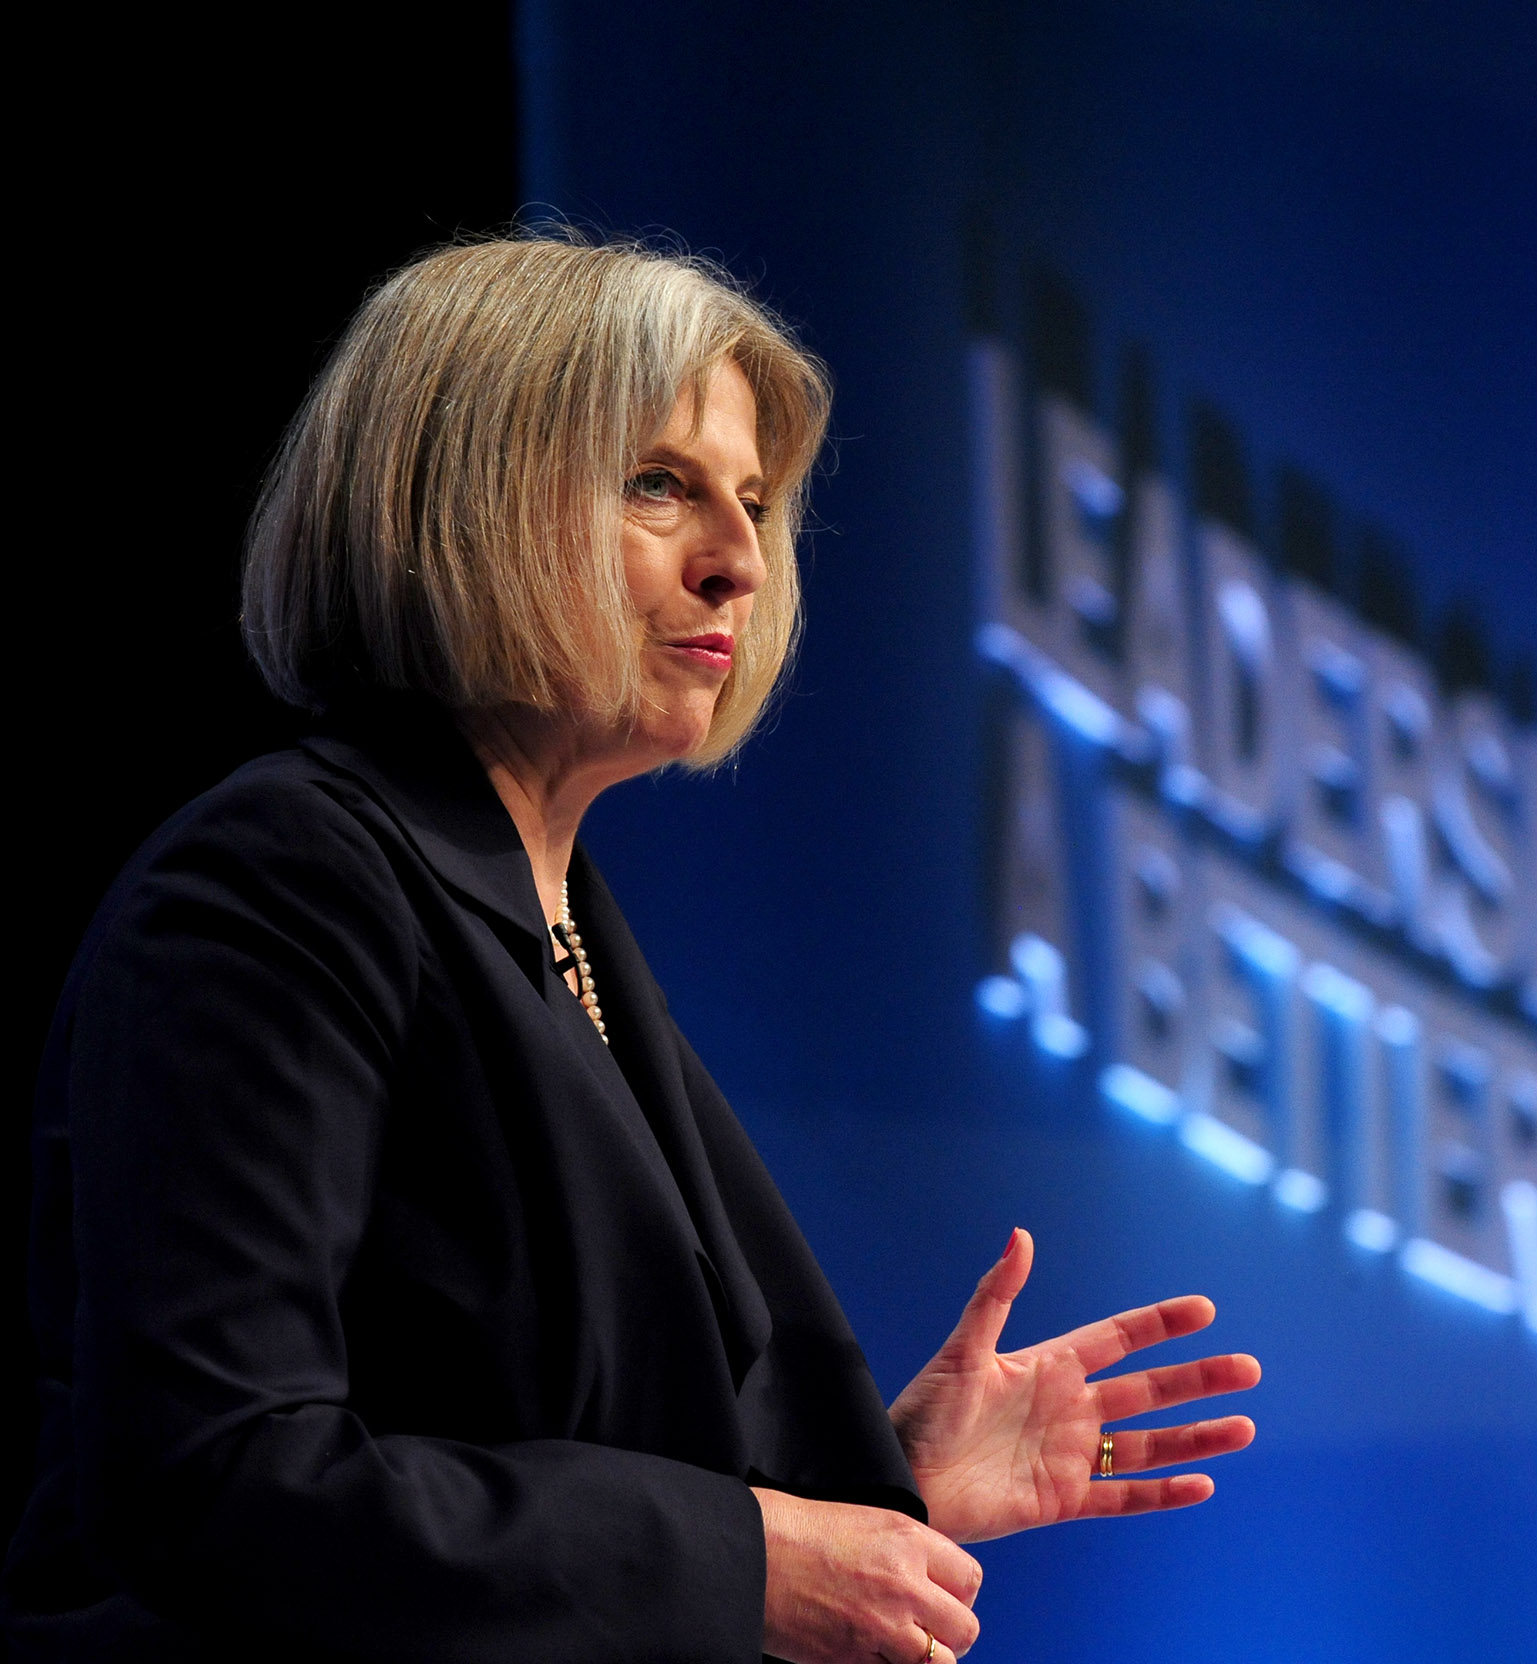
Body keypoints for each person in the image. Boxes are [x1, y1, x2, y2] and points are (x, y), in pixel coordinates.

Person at [5, 233, 1259, 1662]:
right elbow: (215, 1480)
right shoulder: (283, 886)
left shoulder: (571, 934)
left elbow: (557, 1440)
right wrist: (750, 1557)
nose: (738, 562)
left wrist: (887, 1491)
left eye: (755, 502)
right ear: (461, 499)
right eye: (659, 486)